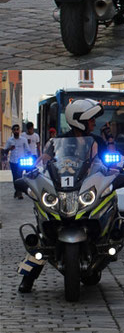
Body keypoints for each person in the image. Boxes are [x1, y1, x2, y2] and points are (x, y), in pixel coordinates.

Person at [19, 100, 106, 292]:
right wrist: (33, 171)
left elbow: (108, 162)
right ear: (79, 120)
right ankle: (28, 278)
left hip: (86, 187)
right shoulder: (58, 141)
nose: (93, 123)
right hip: (64, 188)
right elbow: (45, 160)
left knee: (109, 204)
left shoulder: (97, 141)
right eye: (90, 119)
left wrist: (115, 168)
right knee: (45, 235)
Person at [3, 125, 26, 198]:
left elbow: (27, 149)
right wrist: (10, 148)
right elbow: (4, 151)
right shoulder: (10, 140)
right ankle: (17, 191)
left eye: (17, 129)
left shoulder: (23, 140)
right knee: (15, 177)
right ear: (12, 131)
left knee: (19, 176)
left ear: (19, 130)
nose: (16, 131)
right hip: (13, 161)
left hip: (21, 161)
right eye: (14, 130)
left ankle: (19, 193)